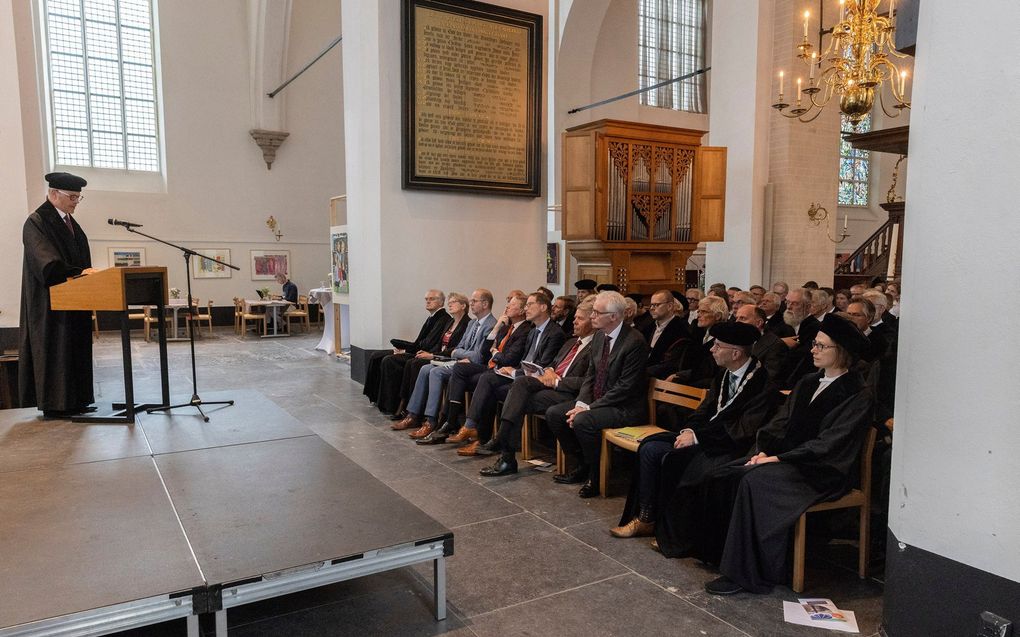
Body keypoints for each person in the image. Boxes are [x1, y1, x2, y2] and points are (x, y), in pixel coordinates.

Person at [690, 314, 874, 596]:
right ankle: (722, 557)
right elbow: (779, 423)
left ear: (843, 352)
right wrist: (764, 450)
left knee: (753, 481)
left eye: (821, 346)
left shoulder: (858, 393)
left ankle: (750, 574)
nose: (813, 350)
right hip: (786, 460)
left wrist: (775, 459)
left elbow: (829, 444)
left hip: (821, 470)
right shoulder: (809, 381)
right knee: (723, 474)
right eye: (814, 344)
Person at [612, 322, 776, 539]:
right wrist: (688, 430)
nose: (712, 349)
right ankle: (646, 517)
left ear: (735, 353)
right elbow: (705, 409)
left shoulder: (763, 383)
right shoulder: (724, 374)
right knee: (649, 447)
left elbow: (744, 429)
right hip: (706, 436)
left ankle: (674, 532)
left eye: (717, 345)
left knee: (675, 459)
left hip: (731, 446)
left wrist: (697, 437)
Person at [546, 291, 650, 497]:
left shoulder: (634, 342)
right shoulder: (599, 337)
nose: (592, 316)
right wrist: (582, 403)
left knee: (584, 421)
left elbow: (625, 387)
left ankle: (596, 476)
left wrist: (589, 408)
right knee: (555, 414)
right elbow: (591, 375)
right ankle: (582, 464)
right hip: (599, 402)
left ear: (613, 316)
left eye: (596, 312)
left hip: (624, 407)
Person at [478, 297, 597, 476]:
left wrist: (557, 381)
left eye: (580, 318)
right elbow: (552, 364)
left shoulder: (596, 346)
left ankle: (505, 449)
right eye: (575, 317)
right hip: (548, 385)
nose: (574, 321)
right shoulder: (571, 342)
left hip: (570, 393)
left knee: (517, 396)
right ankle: (506, 452)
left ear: (593, 322)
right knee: (520, 385)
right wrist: (549, 371)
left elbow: (590, 381)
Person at [20, 172, 98, 417]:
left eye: (78, 197)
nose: (76, 201)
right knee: (56, 351)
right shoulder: (37, 222)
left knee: (75, 350)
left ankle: (78, 400)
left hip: (74, 301)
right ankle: (57, 404)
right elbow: (48, 264)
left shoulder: (73, 226)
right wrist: (81, 272)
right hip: (49, 305)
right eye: (72, 196)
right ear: (54, 194)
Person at [456, 292, 566, 456]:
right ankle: (483, 437)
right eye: (526, 304)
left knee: (489, 380)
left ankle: (489, 438)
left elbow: (542, 366)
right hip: (522, 374)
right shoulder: (534, 331)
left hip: (534, 380)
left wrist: (516, 372)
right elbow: (522, 358)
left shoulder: (554, 333)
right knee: (490, 382)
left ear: (543, 307)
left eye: (530, 304)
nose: (526, 308)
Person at [399, 290, 498, 441]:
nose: (471, 304)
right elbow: (459, 347)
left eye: (474, 301)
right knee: (425, 368)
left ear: (485, 304)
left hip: (475, 366)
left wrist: (461, 354)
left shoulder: (491, 325)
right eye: (470, 301)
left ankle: (431, 420)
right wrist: (461, 353)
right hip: (461, 362)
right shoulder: (472, 323)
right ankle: (413, 414)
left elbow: (479, 356)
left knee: (435, 372)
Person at [389, 293, 470, 426]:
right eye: (449, 302)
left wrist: (433, 355)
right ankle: (412, 413)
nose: (450, 304)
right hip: (441, 356)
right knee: (421, 366)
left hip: (450, 358)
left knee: (421, 365)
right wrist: (431, 353)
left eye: (454, 302)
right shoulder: (450, 322)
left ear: (463, 306)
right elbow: (440, 343)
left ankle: (429, 419)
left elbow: (457, 348)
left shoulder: (467, 323)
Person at [362, 290, 450, 408]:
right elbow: (419, 342)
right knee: (376, 355)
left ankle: (391, 404)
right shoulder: (432, 317)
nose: (428, 301)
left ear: (441, 302)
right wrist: (405, 348)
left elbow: (427, 344)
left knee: (389, 360)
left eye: (432, 299)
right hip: (417, 349)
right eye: (426, 299)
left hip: (425, 353)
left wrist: (405, 351)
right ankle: (376, 397)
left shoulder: (443, 318)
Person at [641, 290, 691, 379]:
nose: (652, 308)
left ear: (669, 306)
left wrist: (640, 372)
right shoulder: (647, 327)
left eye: (656, 305)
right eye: (651, 305)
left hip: (662, 379)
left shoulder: (681, 330)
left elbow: (671, 364)